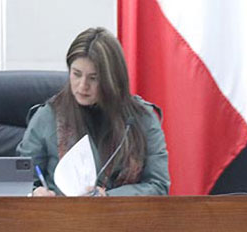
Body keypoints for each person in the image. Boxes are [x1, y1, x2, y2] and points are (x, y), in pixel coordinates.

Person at [17, 27, 170, 196]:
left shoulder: (141, 118)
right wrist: (34, 192)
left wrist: (110, 198)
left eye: (93, 78)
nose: (83, 86)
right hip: (61, 211)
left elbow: (159, 185)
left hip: (124, 211)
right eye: (76, 74)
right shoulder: (48, 116)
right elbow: (20, 181)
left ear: (112, 79)